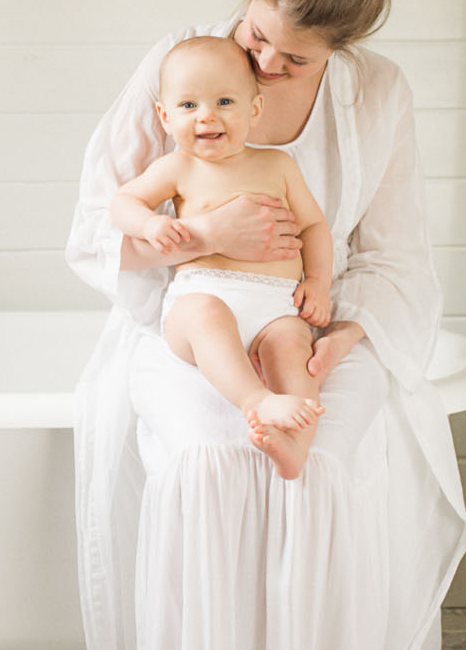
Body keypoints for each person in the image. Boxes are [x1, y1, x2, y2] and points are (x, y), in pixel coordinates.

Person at [66, 0, 466, 650]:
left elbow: (394, 255)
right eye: (258, 38)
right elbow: (98, 222)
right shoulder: (185, 64)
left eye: (293, 59)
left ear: (339, 52)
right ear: (244, 6)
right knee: (214, 462)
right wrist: (207, 244)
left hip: (316, 330)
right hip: (190, 321)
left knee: (319, 472)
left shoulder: (378, 96)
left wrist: (341, 325)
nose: (263, 68)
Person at [108, 34, 332, 473]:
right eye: (188, 106)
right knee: (205, 314)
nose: (207, 115)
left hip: (276, 306)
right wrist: (151, 223)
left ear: (254, 109)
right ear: (165, 116)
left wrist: (318, 282)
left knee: (293, 346)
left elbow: (313, 225)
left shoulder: (278, 165)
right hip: (204, 296)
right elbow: (122, 203)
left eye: (224, 101)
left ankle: (295, 449)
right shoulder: (179, 167)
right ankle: (257, 399)